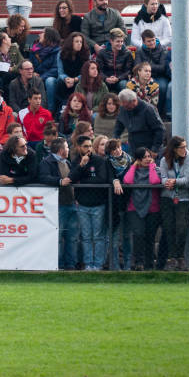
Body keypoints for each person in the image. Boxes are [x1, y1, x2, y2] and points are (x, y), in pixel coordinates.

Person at [69, 133, 120, 271]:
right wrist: (81, 166)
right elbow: (71, 178)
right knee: (85, 236)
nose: (89, 149)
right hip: (82, 204)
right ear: (78, 147)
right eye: (86, 146)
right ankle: (88, 264)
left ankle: (98, 264)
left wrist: (83, 180)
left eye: (90, 146)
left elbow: (101, 179)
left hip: (98, 204)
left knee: (98, 236)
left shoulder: (99, 161)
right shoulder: (75, 161)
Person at [38, 137, 79, 269]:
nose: (68, 149)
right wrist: (59, 181)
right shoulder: (46, 162)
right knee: (59, 237)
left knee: (72, 237)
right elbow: (43, 178)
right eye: (67, 147)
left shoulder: (67, 162)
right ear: (61, 150)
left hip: (71, 203)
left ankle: (71, 264)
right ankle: (59, 264)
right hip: (58, 205)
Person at [121, 146, 162, 270]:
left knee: (150, 237)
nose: (148, 159)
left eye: (149, 156)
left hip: (152, 208)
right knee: (138, 233)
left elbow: (154, 181)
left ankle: (149, 264)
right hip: (134, 207)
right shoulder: (133, 170)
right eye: (144, 157)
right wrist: (134, 166)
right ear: (138, 159)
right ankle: (138, 262)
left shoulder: (156, 169)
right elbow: (127, 181)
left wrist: (151, 167)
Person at [157, 136, 189, 271]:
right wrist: (167, 182)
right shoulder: (164, 160)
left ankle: (180, 257)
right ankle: (173, 257)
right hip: (167, 197)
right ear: (174, 149)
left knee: (182, 227)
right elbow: (163, 177)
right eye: (181, 147)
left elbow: (186, 178)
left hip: (183, 198)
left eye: (185, 146)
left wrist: (175, 182)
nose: (185, 149)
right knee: (168, 227)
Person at [113, 89, 165, 155]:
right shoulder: (123, 108)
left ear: (134, 101)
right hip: (133, 147)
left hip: (149, 147)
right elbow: (119, 124)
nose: (124, 108)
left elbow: (160, 130)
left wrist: (155, 149)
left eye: (126, 106)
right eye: (122, 105)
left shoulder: (148, 109)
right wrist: (116, 137)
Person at [27, 29, 60, 109]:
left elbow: (56, 69)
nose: (39, 34)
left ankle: (51, 109)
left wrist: (42, 77)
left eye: (42, 33)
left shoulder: (57, 51)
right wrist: (32, 72)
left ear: (48, 36)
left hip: (50, 77)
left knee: (50, 81)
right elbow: (30, 63)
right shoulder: (34, 49)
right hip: (36, 75)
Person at [98, 28, 134, 92]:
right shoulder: (102, 53)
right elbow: (99, 70)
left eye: (122, 41)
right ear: (111, 41)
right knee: (100, 85)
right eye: (118, 41)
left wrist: (118, 78)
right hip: (106, 78)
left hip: (121, 79)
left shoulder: (127, 53)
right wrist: (106, 78)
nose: (120, 44)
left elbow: (129, 71)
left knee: (123, 85)